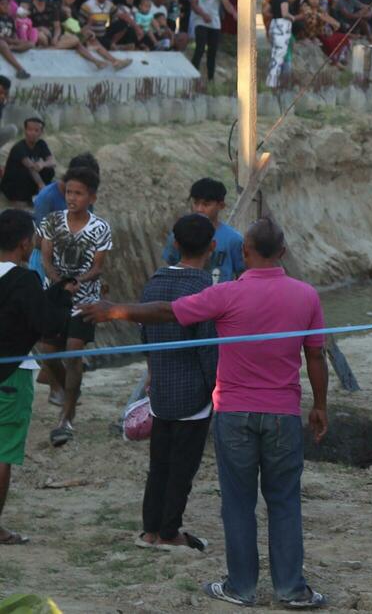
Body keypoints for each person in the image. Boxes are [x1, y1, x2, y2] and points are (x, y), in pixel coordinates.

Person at [83, 217, 328, 609]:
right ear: (282, 252)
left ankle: (241, 588)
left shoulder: (226, 294)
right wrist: (319, 405)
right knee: (284, 501)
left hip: (233, 416)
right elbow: (315, 356)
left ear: (244, 252)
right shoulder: (306, 296)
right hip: (283, 414)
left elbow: (166, 311)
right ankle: (292, 590)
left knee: (238, 503)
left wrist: (115, 311)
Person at [137, 214, 218, 552]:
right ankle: (170, 532)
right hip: (193, 394)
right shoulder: (204, 289)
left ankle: (149, 530)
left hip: (161, 389)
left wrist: (153, 373)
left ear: (174, 244)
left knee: (159, 464)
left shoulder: (153, 283)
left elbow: (144, 334)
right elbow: (208, 348)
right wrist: (217, 390)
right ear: (212, 248)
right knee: (182, 469)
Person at [0, 208, 77, 545]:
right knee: (2, 454)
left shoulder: (23, 283)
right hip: (10, 377)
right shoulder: (23, 279)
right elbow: (47, 326)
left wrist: (55, 292)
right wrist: (63, 299)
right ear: (24, 243)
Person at [35, 165, 112, 447]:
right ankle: (69, 391)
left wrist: (77, 281)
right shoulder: (53, 221)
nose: (71, 197)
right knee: (48, 352)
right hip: (55, 298)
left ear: (91, 196)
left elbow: (98, 267)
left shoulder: (100, 227)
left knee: (73, 351)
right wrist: (59, 282)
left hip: (85, 301)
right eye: (68, 191)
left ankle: (66, 417)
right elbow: (45, 258)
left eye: (78, 193)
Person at [161, 178, 246, 284]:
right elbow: (170, 265)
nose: (199, 209)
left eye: (206, 204)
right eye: (196, 203)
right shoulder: (179, 234)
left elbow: (242, 274)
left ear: (221, 206)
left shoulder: (233, 240)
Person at [189, 0, 235, 81]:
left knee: (212, 52)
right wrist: (203, 14)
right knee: (200, 48)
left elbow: (226, 3)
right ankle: (193, 76)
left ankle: (210, 78)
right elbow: (193, 4)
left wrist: (234, 13)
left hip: (214, 23)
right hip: (200, 21)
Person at [0, 116, 55, 205]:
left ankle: (35, 195)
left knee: (49, 170)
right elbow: (31, 168)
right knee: (25, 172)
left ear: (41, 132)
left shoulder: (41, 144)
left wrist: (43, 164)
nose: (32, 133)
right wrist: (41, 185)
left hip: (30, 180)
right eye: (30, 130)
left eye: (36, 130)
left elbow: (52, 162)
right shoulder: (19, 147)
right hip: (15, 183)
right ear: (25, 131)